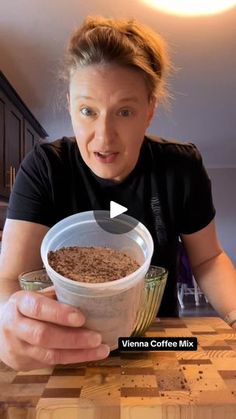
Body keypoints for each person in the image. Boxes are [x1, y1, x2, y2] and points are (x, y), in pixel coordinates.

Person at [0, 16, 235, 372]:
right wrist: (9, 324)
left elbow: (208, 259)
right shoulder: (44, 168)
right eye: (87, 111)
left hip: (152, 342)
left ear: (149, 110)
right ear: (70, 105)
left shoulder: (180, 168)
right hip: (64, 348)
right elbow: (8, 280)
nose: (104, 137)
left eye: (124, 111)